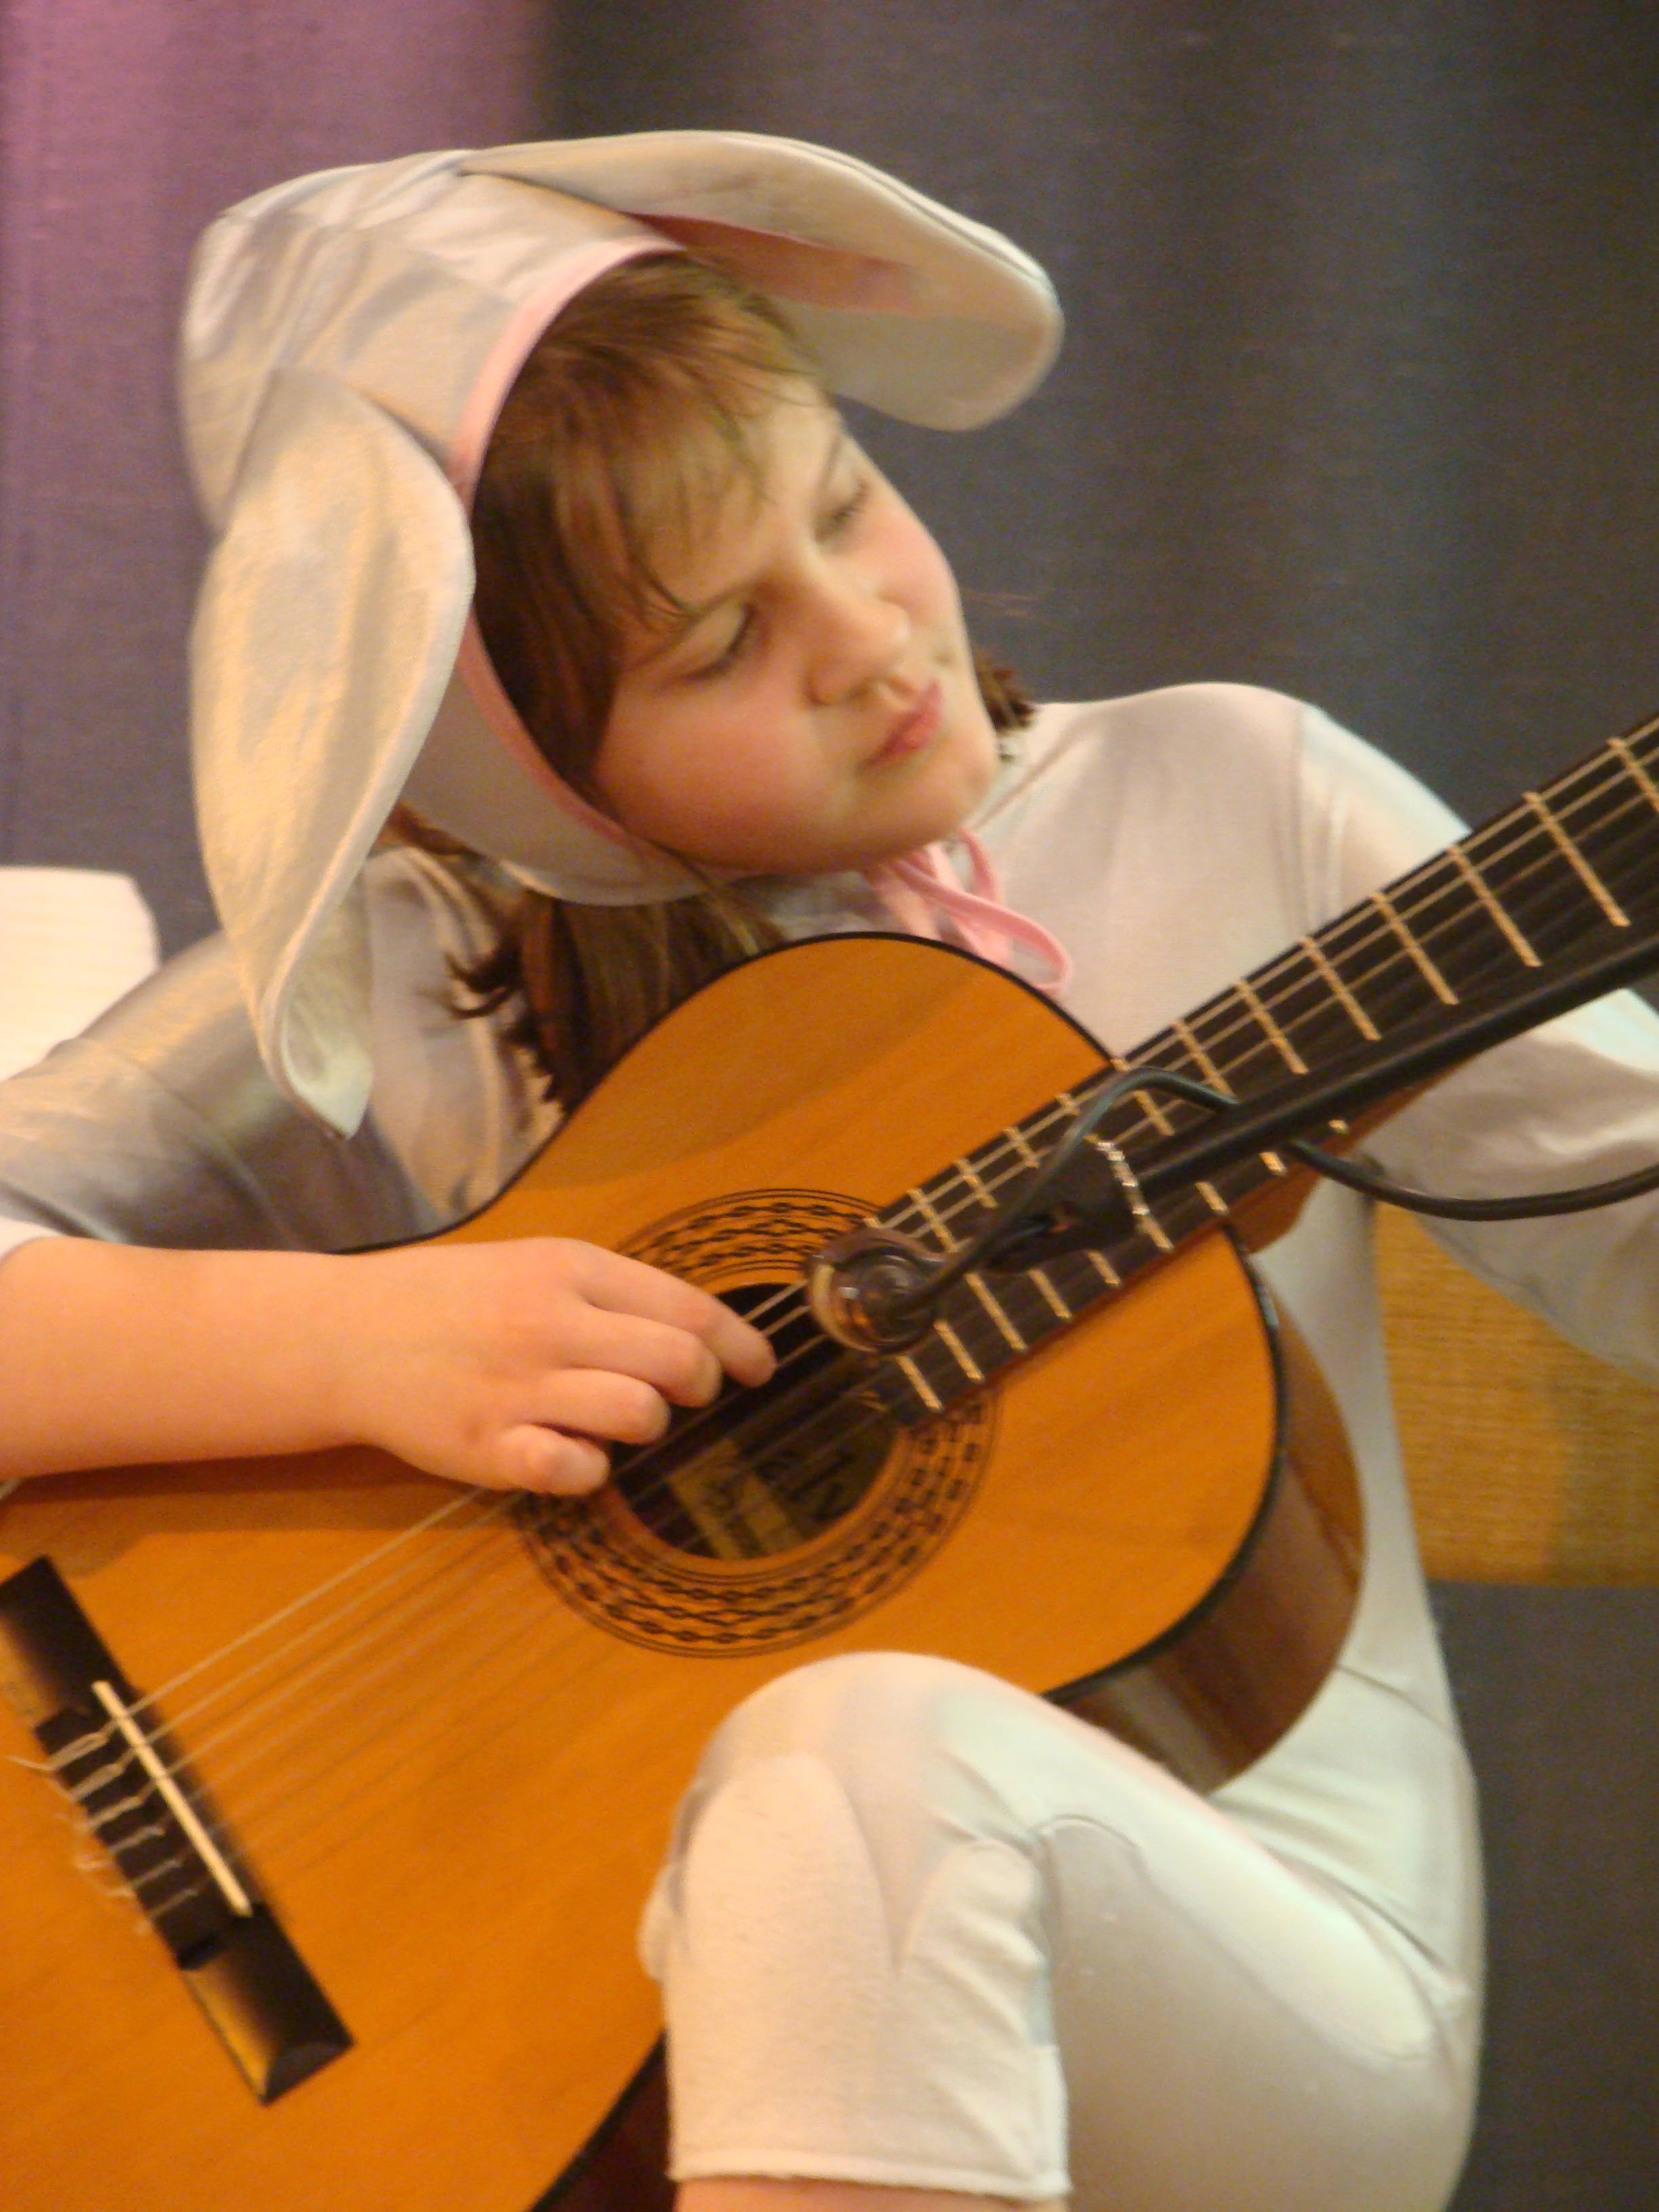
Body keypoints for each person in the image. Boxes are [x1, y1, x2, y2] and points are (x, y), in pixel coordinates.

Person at [4, 131, 1659, 2212]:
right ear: (524, 761)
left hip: (1264, 1942)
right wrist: (355, 1341)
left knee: (856, 1760)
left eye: (848, 500)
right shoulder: (411, 978)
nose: (870, 637)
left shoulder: (1236, 803)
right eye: (719, 646)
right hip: (607, 2021)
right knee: (821, 1780)